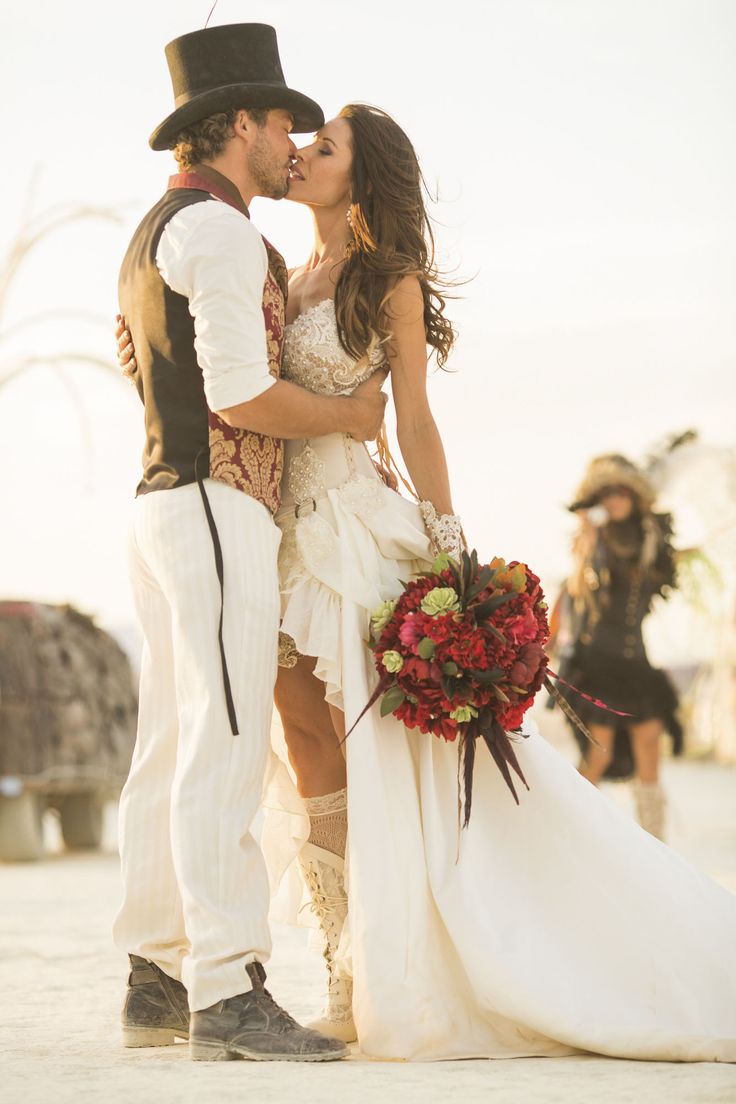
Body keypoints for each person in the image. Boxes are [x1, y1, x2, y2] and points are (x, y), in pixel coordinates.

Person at [119, 104, 736, 1063]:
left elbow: (413, 424)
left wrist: (450, 552)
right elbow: (228, 373)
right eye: (304, 142)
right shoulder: (274, 267)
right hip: (271, 536)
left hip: (357, 535)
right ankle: (341, 961)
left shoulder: (387, 280)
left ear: (362, 180)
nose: (304, 156)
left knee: (386, 757)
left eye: (326, 150)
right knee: (306, 746)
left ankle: (417, 953)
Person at [112, 24, 387, 1064]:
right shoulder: (223, 234)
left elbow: (144, 361)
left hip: (158, 503)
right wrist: (350, 421)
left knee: (171, 743)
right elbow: (235, 393)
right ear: (237, 125)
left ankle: (153, 975)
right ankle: (226, 991)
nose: (290, 143)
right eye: (281, 125)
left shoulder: (155, 228)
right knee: (224, 744)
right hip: (215, 505)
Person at [549, 455, 683, 839]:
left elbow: (662, 571)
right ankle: (568, 833)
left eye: (623, 492)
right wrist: (589, 527)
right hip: (598, 663)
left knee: (650, 746)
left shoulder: (651, 538)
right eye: (608, 493)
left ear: (634, 497)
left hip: (637, 666)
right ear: (598, 499)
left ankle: (657, 846)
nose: (616, 499)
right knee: (599, 754)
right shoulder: (592, 539)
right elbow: (572, 588)